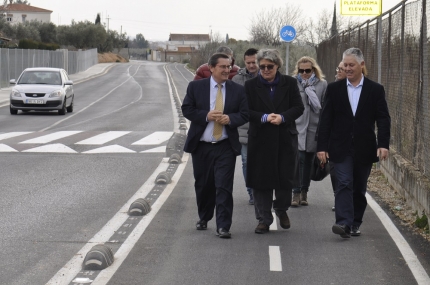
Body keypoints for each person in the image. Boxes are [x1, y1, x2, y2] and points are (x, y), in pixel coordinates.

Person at [317, 47, 391, 238]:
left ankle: (355, 222)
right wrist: (322, 147)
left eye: (351, 65)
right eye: (345, 65)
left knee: (358, 187)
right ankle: (343, 223)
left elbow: (383, 118)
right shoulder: (334, 89)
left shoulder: (375, 90)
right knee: (343, 182)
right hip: (339, 147)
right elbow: (326, 120)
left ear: (362, 65)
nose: (347, 69)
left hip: (364, 147)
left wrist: (383, 144)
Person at [182, 53, 248, 239]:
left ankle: (223, 226)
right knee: (204, 185)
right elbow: (187, 109)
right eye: (223, 67)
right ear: (211, 68)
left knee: (224, 186)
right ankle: (204, 216)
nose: (227, 70)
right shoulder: (196, 87)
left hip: (225, 145)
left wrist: (230, 119)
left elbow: (244, 114)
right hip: (201, 146)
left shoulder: (237, 90)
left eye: (229, 67)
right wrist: (206, 116)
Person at [244, 49, 304, 234]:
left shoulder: (290, 83)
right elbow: (246, 110)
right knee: (261, 182)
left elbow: (298, 107)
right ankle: (263, 219)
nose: (265, 69)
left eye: (270, 66)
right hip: (260, 139)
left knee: (285, 179)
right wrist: (264, 117)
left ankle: (281, 209)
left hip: (284, 137)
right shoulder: (250, 85)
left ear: (277, 65)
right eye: (262, 66)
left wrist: (283, 117)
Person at [291, 56, 327, 207]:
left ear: (314, 70)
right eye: (301, 70)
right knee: (298, 160)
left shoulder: (322, 84)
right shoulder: (293, 82)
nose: (304, 73)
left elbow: (324, 106)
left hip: (314, 127)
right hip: (298, 127)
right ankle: (296, 192)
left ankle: (305, 191)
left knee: (308, 161)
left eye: (308, 70)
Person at [232, 48, 259, 205]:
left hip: (264, 127)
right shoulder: (237, 79)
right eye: (248, 62)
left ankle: (263, 191)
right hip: (244, 128)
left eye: (254, 62)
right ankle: (251, 192)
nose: (251, 65)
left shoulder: (267, 76)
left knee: (263, 162)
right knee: (246, 161)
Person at [330, 61, 347, 211]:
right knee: (335, 172)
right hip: (335, 140)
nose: (339, 71)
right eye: (339, 68)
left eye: (341, 69)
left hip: (353, 141)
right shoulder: (332, 88)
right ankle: (338, 198)